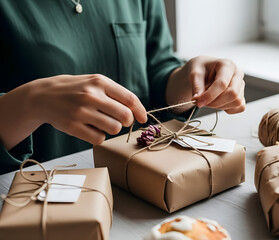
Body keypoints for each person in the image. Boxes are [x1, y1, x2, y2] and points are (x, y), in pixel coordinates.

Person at [0, 0, 245, 174]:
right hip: (44, 205)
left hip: (146, 187)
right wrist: (31, 102)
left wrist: (191, 79)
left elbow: (156, 69)